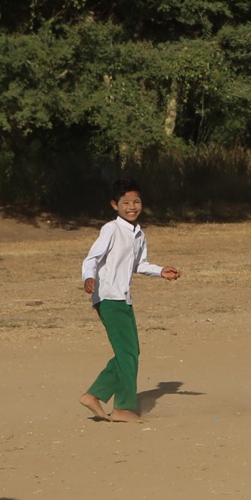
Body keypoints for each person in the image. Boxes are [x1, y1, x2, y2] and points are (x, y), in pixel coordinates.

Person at [78, 178, 183, 423]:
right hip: (108, 297)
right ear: (115, 205)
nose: (132, 206)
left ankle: (94, 395)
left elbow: (140, 264)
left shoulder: (138, 233)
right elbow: (91, 258)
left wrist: (160, 271)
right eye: (126, 202)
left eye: (136, 201)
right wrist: (88, 278)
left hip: (123, 298)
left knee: (131, 351)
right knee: (127, 353)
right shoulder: (111, 229)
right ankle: (122, 407)